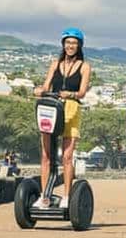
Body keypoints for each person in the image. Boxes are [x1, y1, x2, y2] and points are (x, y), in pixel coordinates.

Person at [32, 28, 91, 209]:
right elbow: (46, 85)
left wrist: (70, 94)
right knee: (46, 155)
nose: (70, 46)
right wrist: (39, 90)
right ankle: (44, 196)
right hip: (51, 109)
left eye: (74, 43)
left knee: (66, 156)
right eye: (68, 42)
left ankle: (66, 196)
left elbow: (82, 92)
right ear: (63, 44)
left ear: (79, 45)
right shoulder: (55, 63)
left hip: (72, 110)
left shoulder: (84, 66)